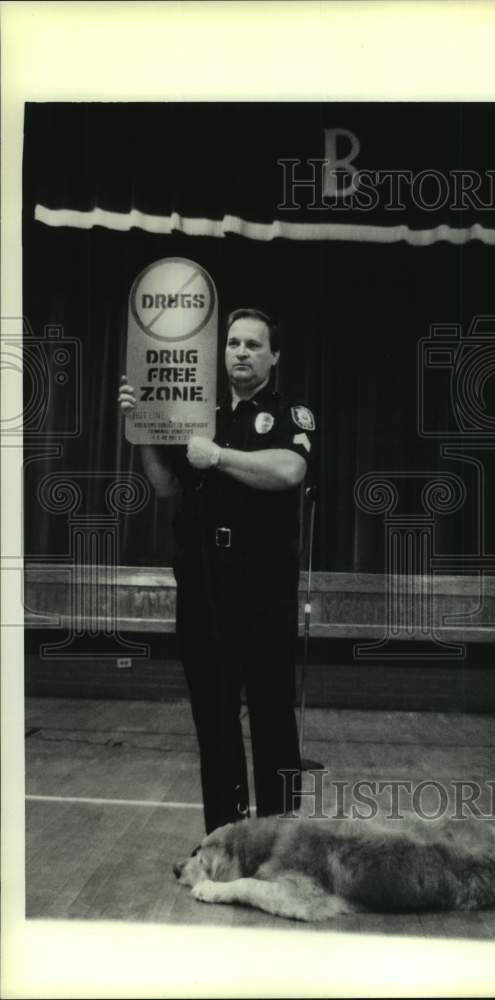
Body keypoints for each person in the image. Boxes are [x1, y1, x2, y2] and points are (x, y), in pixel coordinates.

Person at [118, 307, 316, 833]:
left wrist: (220, 456)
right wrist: (137, 428)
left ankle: (281, 836)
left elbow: (289, 469)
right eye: (233, 344)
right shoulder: (198, 412)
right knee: (214, 714)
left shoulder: (290, 412)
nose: (241, 353)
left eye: (254, 344)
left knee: (273, 709)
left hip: (263, 582)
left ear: (275, 355)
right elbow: (164, 486)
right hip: (204, 581)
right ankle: (224, 838)